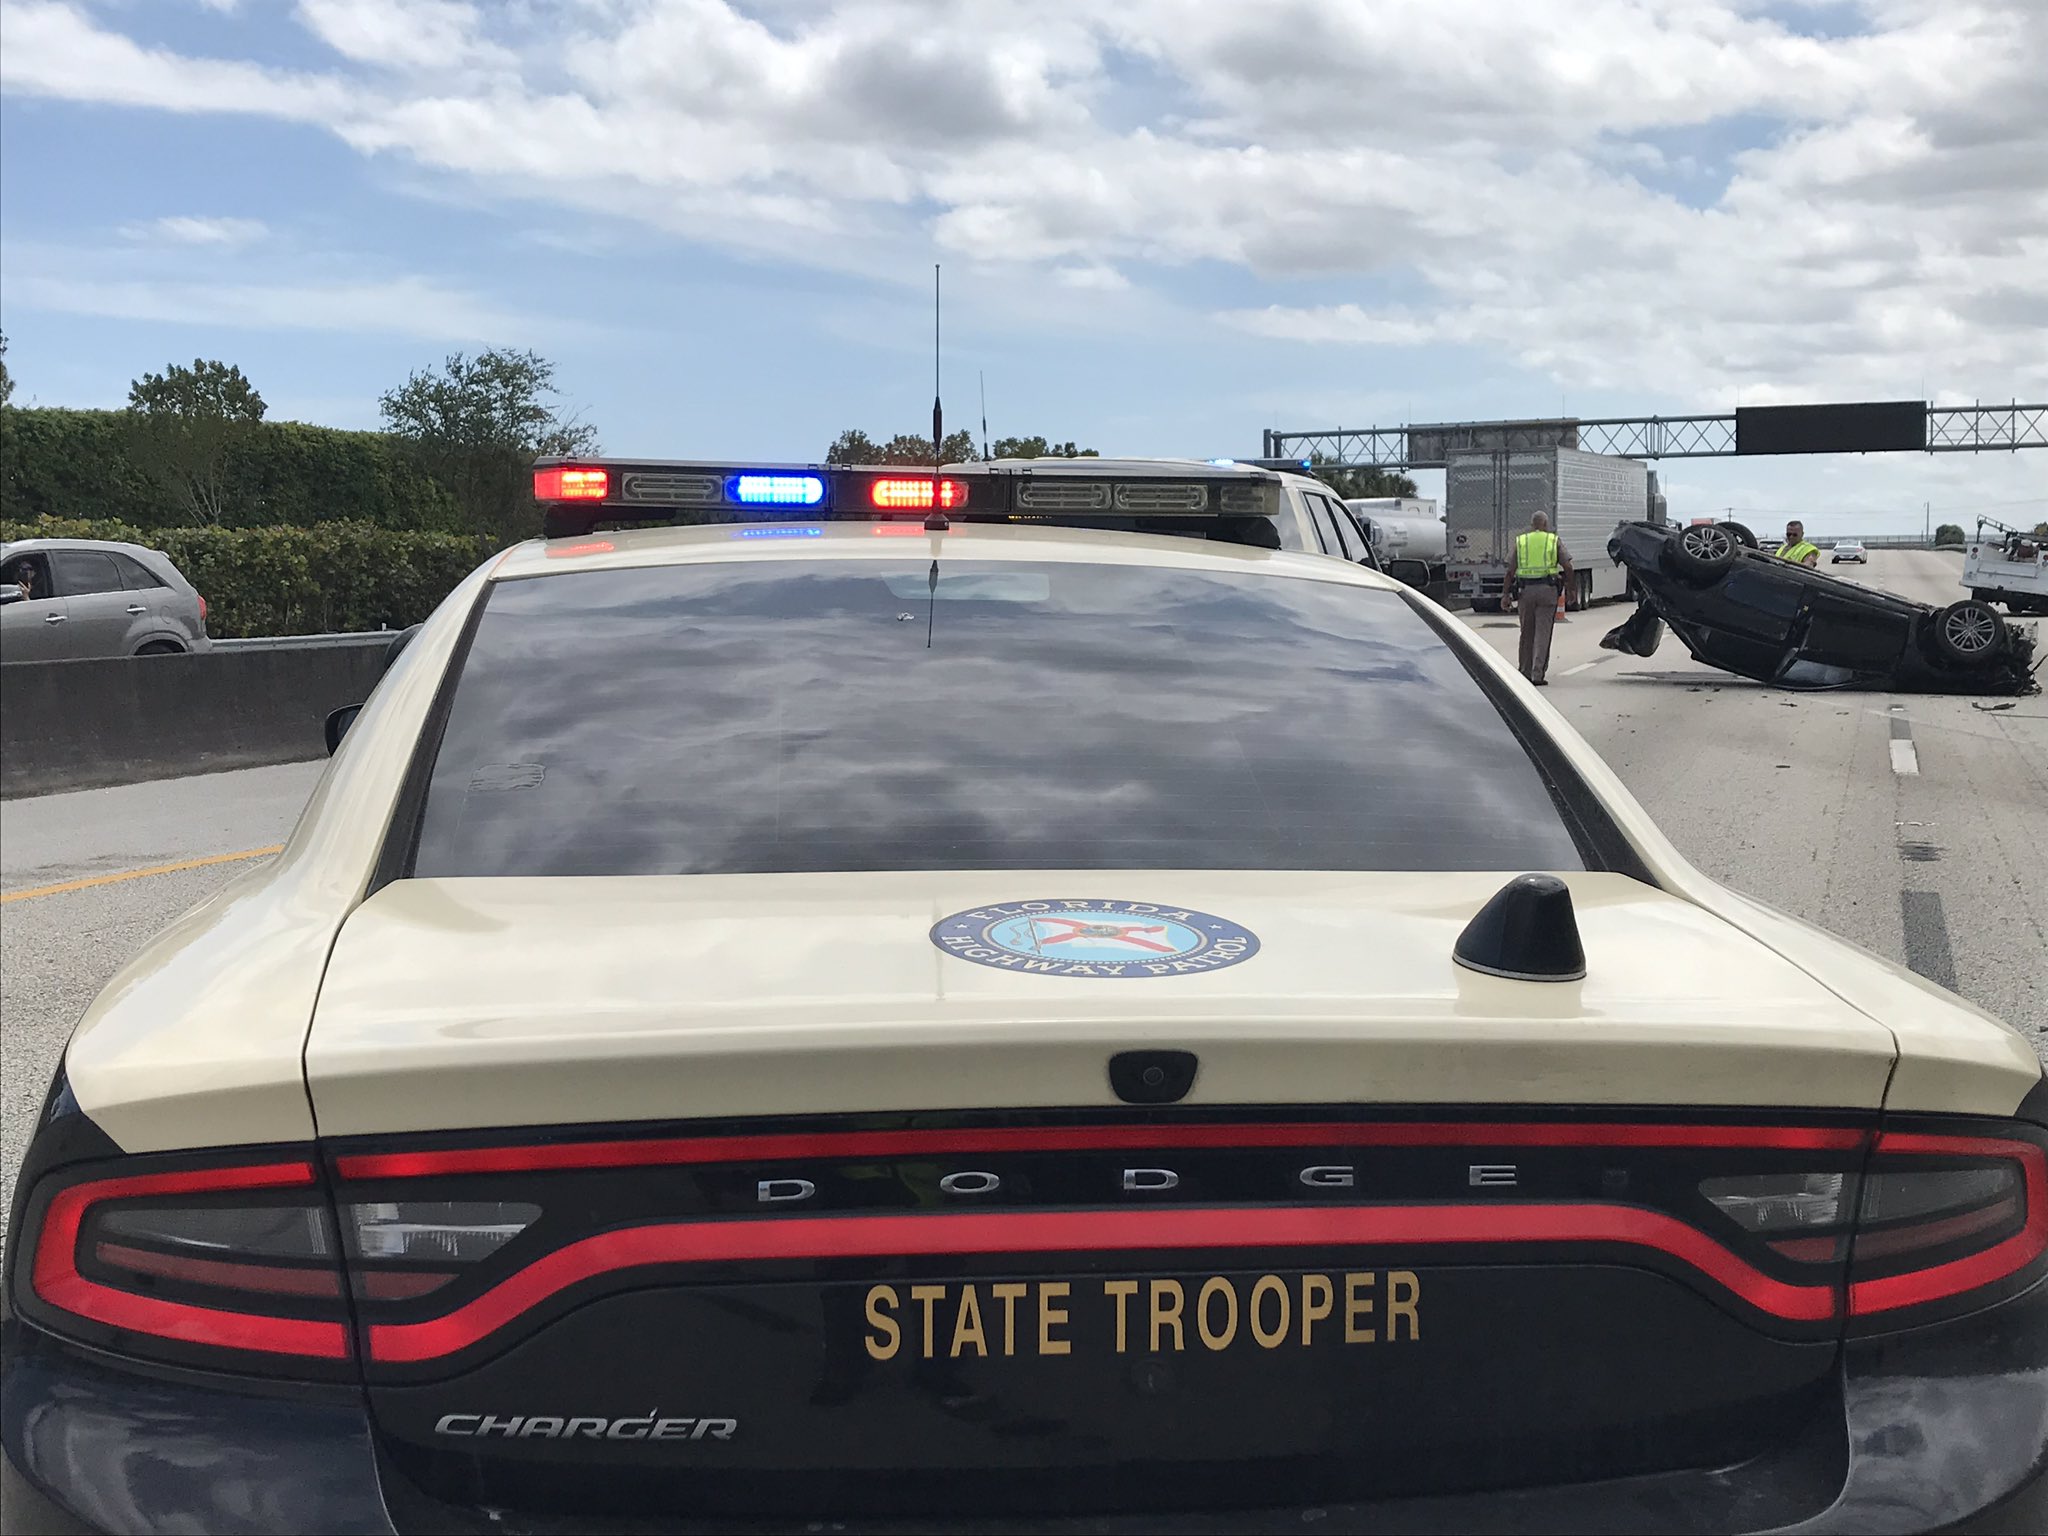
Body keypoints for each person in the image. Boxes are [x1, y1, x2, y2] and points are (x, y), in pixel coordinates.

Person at [1506, 511, 1573, 686]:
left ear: (1532, 524)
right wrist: (1570, 587)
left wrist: (1505, 594)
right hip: (1547, 592)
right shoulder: (1553, 540)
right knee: (1542, 633)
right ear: (1545, 524)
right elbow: (1568, 565)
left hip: (1525, 592)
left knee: (1526, 633)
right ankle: (1537, 675)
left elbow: (1510, 570)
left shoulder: (1521, 541)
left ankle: (1524, 672)